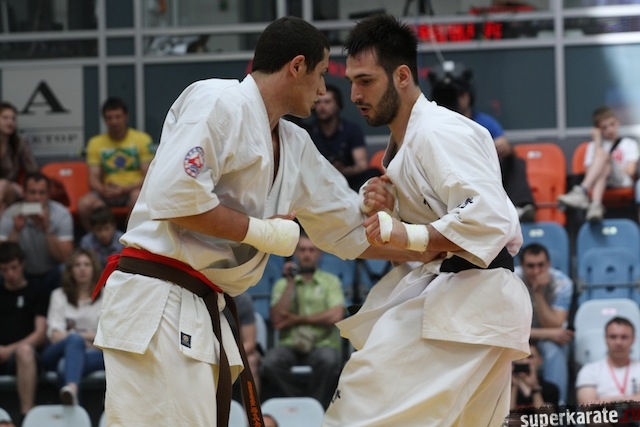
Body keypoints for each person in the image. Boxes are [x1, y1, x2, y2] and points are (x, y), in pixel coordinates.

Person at [93, 16, 426, 427]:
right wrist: (263, 232)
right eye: (322, 74)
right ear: (297, 66)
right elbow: (175, 196)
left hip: (201, 307)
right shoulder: (218, 101)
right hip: (158, 299)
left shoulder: (295, 145)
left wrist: (425, 242)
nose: (324, 90)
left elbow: (350, 230)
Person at [322, 14, 532, 426]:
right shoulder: (406, 143)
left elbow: (488, 218)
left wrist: (406, 232)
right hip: (469, 303)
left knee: (357, 408)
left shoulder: (438, 132)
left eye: (366, 80)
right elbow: (428, 243)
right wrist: (389, 212)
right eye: (351, 82)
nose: (355, 94)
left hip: (469, 301)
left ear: (402, 76)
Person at [429, 62, 536, 223]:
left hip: (483, 177)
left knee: (513, 160)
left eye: (457, 93)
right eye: (445, 94)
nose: (452, 98)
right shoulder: (432, 125)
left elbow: (502, 145)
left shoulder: (485, 122)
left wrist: (505, 148)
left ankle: (519, 207)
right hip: (450, 179)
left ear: (468, 95)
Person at [262, 232, 345, 409]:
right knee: (271, 362)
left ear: (319, 253)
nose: (307, 254)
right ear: (295, 253)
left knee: (329, 360)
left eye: (311, 250)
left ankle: (316, 406)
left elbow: (336, 315)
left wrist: (296, 320)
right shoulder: (283, 284)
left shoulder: (330, 282)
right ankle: (299, 404)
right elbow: (277, 319)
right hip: (290, 345)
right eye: (302, 250)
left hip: (322, 344)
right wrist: (290, 283)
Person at [77, 97, 154, 231]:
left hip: (133, 190)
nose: (114, 122)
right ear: (104, 119)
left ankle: (130, 237)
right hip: (107, 191)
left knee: (137, 198)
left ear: (126, 117)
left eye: (118, 117)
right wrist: (103, 190)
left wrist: (126, 189)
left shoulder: (142, 139)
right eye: (109, 118)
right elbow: (93, 179)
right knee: (84, 204)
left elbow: (148, 176)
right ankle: (99, 239)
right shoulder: (95, 143)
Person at [42, 248, 104, 406]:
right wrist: (83, 340)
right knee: (74, 342)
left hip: (96, 354)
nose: (82, 269)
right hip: (58, 351)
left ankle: (71, 393)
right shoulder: (58, 295)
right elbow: (55, 336)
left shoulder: (106, 295)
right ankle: (74, 394)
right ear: (70, 270)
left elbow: (109, 336)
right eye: (77, 265)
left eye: (87, 264)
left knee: (65, 366)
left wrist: (77, 338)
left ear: (94, 269)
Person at [515, 243, 574, 404]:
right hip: (519, 337)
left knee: (555, 349)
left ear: (549, 264)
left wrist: (538, 292)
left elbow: (555, 324)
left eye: (541, 265)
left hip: (545, 338)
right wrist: (550, 333)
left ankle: (557, 405)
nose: (536, 271)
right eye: (530, 266)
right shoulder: (511, 281)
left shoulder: (562, 283)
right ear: (522, 266)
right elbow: (509, 329)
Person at [558, 106, 639, 222]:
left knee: (605, 160)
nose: (610, 130)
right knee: (604, 169)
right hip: (602, 178)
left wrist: (610, 162)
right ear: (598, 129)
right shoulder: (592, 146)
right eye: (604, 127)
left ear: (618, 123)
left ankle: (581, 191)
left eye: (612, 124)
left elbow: (630, 171)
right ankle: (596, 206)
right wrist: (597, 141)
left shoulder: (629, 143)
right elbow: (589, 172)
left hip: (622, 179)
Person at [0, 172, 74, 293]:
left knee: (65, 269)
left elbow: (65, 258)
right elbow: (2, 257)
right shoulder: (11, 214)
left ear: (48, 194)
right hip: (22, 274)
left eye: (42, 193)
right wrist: (16, 231)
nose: (37, 198)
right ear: (24, 193)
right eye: (32, 192)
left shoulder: (61, 214)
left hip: (52, 272)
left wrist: (47, 228)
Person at [0, 242, 48, 420]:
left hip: (22, 355)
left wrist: (8, 350)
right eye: (4, 270)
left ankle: (26, 416)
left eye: (14, 267)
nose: (10, 274)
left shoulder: (37, 291)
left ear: (23, 264)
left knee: (25, 352)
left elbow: (40, 334)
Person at [309, 84, 381, 191]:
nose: (322, 107)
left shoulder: (351, 129)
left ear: (337, 105)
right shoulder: (308, 132)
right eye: (318, 102)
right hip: (319, 182)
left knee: (373, 173)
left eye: (327, 102)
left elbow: (362, 164)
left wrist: (343, 170)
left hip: (347, 180)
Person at [576, 316, 640, 404]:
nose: (618, 342)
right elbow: (587, 405)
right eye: (613, 337)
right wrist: (631, 400)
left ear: (633, 339)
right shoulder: (589, 370)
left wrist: (603, 401)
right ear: (606, 339)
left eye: (624, 337)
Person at [0, 102, 39, 216]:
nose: (10, 122)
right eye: (5, 118)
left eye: (13, 119)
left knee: (3, 185)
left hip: (11, 192)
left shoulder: (19, 144)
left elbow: (33, 171)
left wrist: (23, 188)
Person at [227, 292, 263, 396]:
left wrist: (229, 356)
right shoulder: (206, 298)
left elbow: (250, 343)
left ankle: (250, 406)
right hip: (213, 351)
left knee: (251, 361)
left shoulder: (242, 301)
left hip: (239, 352)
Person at [510, 341, 559, 410]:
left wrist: (535, 387)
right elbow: (505, 415)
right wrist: (514, 386)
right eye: (520, 357)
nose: (525, 361)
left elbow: (545, 416)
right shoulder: (504, 389)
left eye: (530, 357)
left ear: (540, 360)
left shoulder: (550, 389)